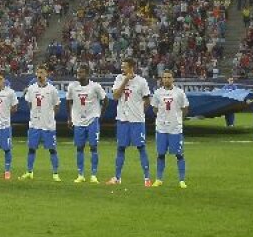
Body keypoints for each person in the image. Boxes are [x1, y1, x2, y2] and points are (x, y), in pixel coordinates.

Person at [107, 58, 152, 186]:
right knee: (120, 148)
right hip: (122, 119)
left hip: (137, 120)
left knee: (141, 147)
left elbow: (147, 100)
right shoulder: (119, 79)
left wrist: (140, 112)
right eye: (122, 67)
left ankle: (147, 179)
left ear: (132, 68)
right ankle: (117, 178)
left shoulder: (141, 81)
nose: (122, 69)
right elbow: (115, 96)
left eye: (125, 67)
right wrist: (125, 81)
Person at [67, 65, 107, 183]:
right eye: (78, 72)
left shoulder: (95, 86)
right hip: (78, 121)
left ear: (88, 74)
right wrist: (69, 118)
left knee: (93, 147)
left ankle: (93, 175)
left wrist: (100, 115)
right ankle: (80, 175)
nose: (79, 74)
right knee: (79, 147)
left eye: (82, 72)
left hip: (92, 120)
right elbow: (68, 102)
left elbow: (105, 100)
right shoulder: (72, 86)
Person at [152, 69, 189, 188]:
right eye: (165, 77)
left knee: (179, 155)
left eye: (169, 77)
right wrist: (162, 118)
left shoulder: (179, 92)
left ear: (173, 79)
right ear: (162, 79)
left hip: (175, 129)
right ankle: (159, 179)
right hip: (161, 128)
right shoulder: (157, 93)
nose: (166, 79)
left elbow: (185, 108)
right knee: (160, 154)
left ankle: (182, 180)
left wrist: (178, 119)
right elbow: (155, 108)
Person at [22, 66, 60, 181]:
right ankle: (29, 172)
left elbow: (57, 105)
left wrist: (50, 116)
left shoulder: (52, 89)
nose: (39, 75)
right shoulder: (31, 88)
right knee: (31, 149)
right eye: (38, 72)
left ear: (46, 74)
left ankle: (55, 173)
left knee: (52, 149)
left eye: (42, 72)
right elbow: (29, 103)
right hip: (34, 124)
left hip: (48, 125)